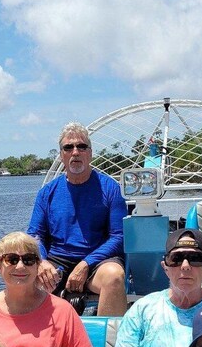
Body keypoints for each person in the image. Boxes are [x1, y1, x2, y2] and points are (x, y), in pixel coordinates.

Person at [27, 122, 127, 316]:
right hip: (57, 261)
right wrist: (43, 261)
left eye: (81, 147)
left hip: (97, 262)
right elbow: (35, 235)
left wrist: (85, 264)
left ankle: (109, 342)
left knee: (115, 277)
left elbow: (118, 236)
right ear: (61, 155)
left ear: (90, 153)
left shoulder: (110, 189)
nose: (75, 152)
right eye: (68, 147)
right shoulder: (46, 193)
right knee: (25, 276)